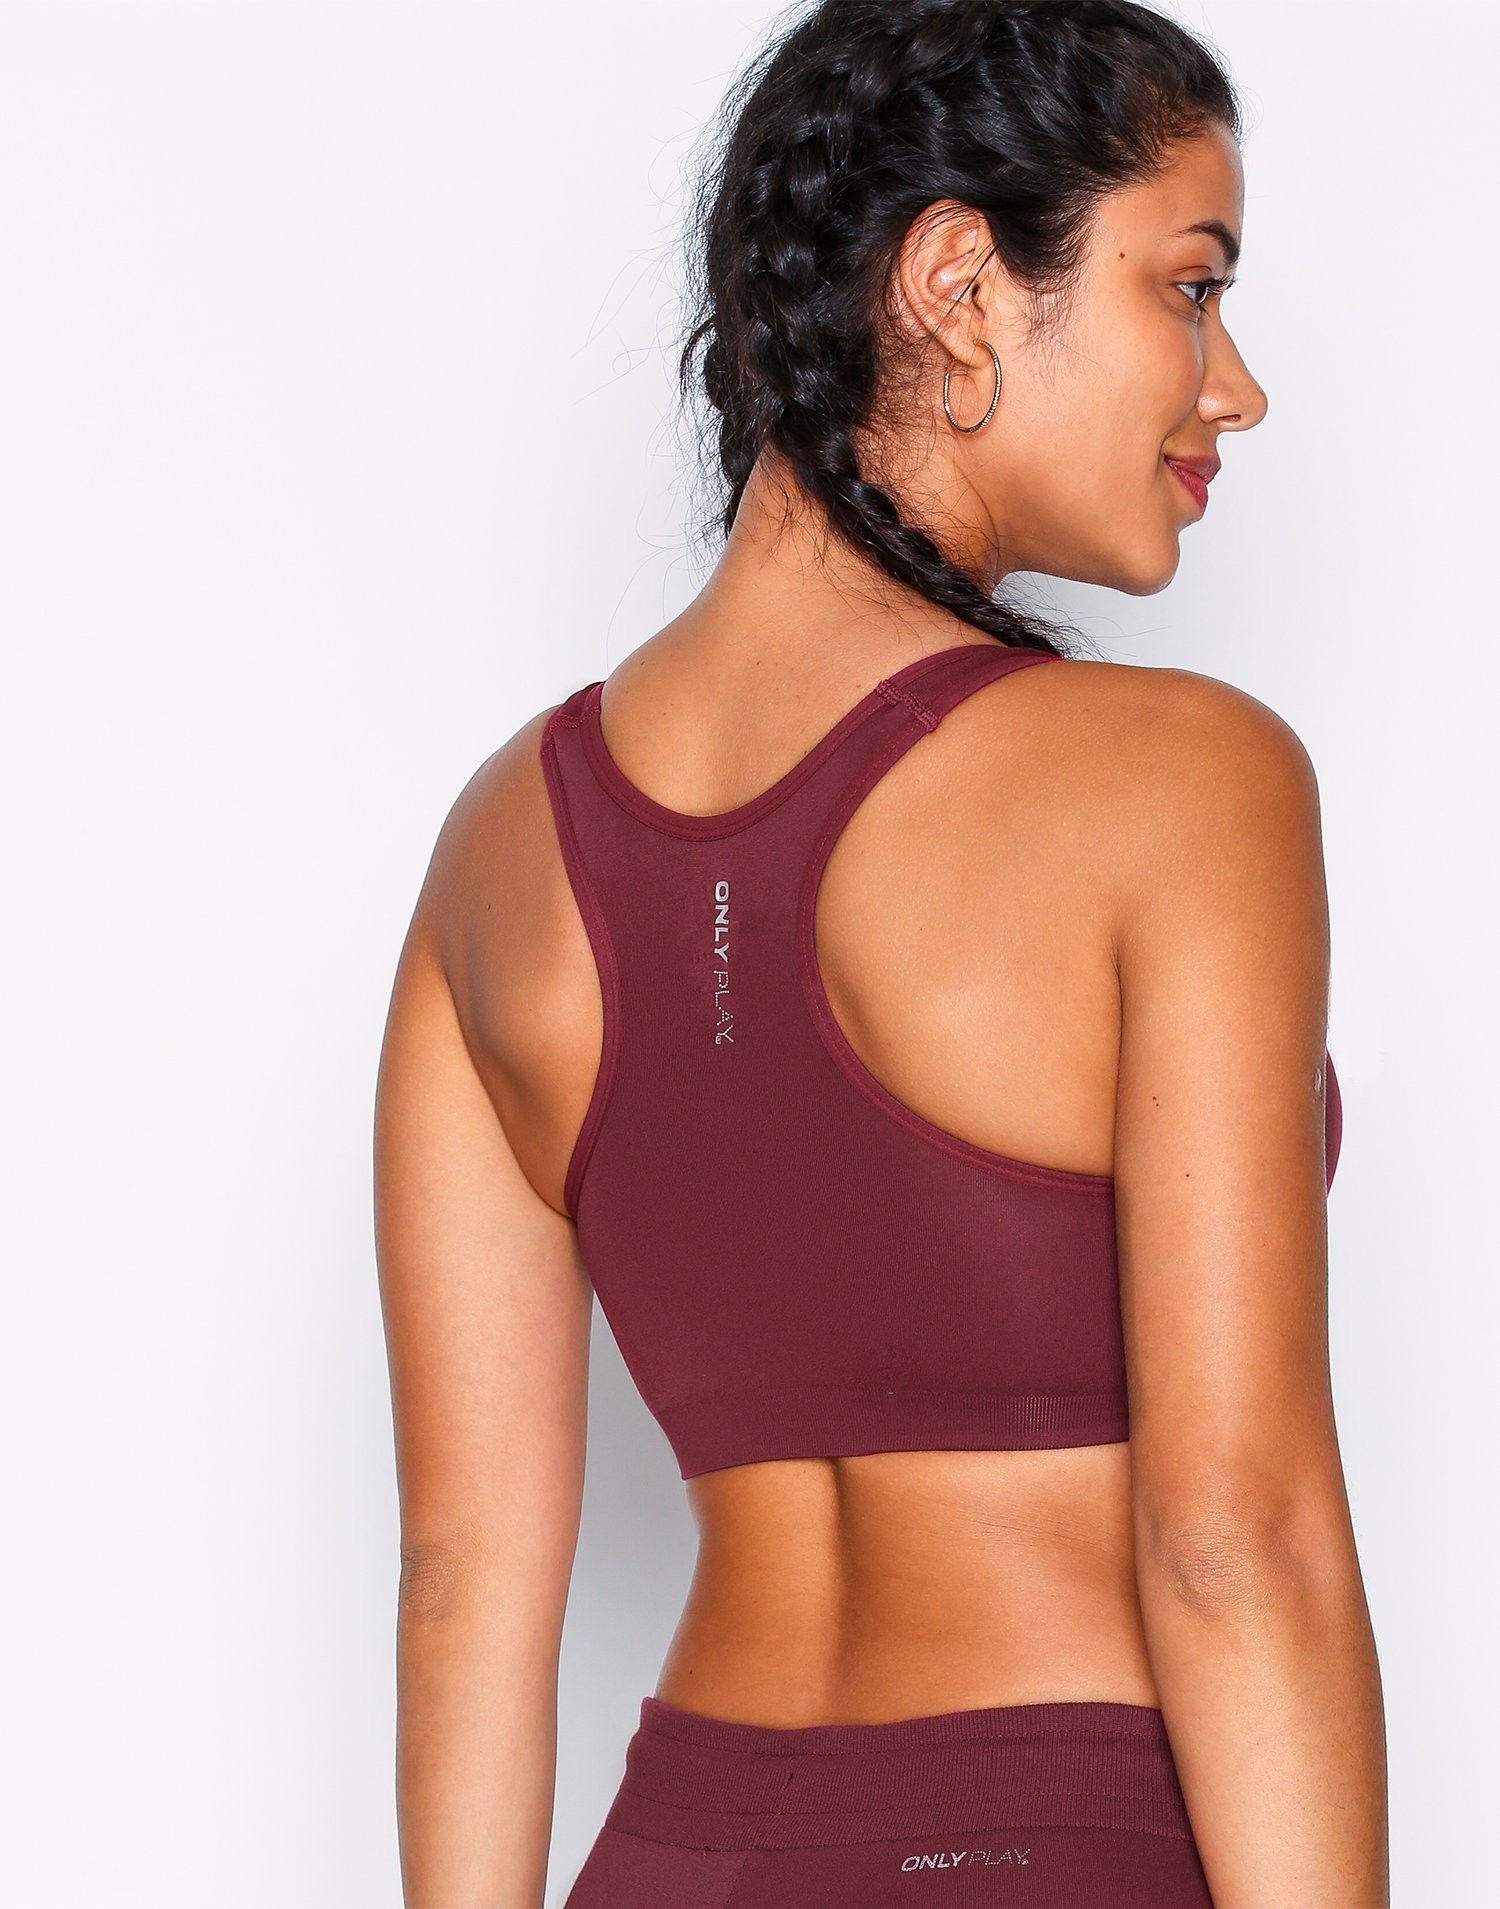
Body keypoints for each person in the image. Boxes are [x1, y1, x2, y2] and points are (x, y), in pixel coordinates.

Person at [373, 1, 1388, 1903]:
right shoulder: (1188, 783)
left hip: (674, 1858)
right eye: (1191, 286)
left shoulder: (497, 848)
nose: (1234, 386)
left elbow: (462, 1575)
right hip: (1057, 1849)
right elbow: (1233, 1540)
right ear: (958, 283)